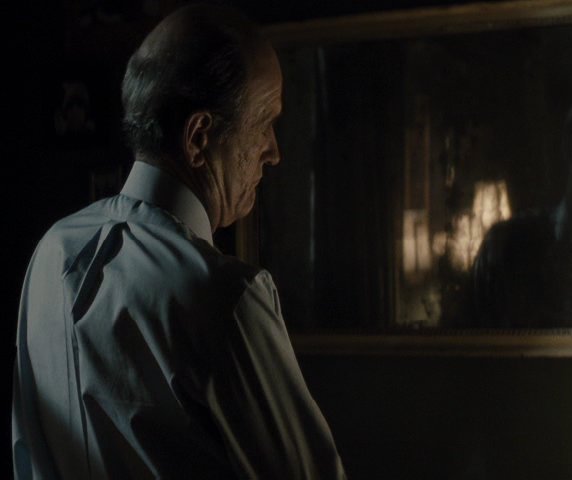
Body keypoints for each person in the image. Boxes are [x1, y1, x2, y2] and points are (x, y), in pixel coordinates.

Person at [12, 4, 346, 479]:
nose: (273, 152)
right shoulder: (224, 298)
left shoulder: (51, 252)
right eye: (264, 123)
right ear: (199, 137)